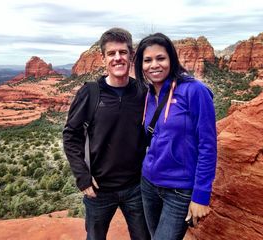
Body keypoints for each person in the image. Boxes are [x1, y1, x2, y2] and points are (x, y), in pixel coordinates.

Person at [63, 27, 150, 240]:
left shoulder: (143, 92)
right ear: (103, 59)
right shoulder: (90, 92)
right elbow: (71, 135)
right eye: (111, 53)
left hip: (136, 188)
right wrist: (83, 178)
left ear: (131, 56)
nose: (117, 58)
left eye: (122, 52)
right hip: (99, 190)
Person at [133, 33, 217, 240]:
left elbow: (208, 145)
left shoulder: (194, 91)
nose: (154, 65)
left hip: (179, 191)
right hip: (148, 185)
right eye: (147, 60)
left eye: (160, 58)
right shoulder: (147, 94)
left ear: (171, 59)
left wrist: (201, 195)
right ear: (140, 65)